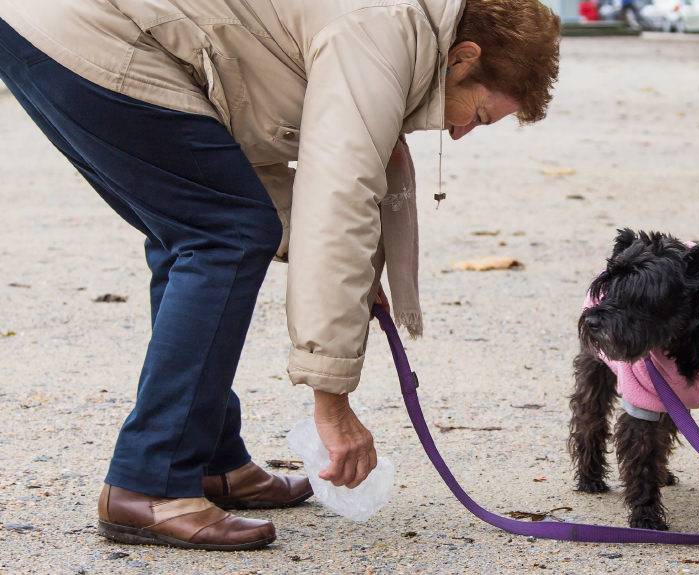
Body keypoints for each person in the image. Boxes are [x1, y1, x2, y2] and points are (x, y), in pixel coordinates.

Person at [0, 0, 559, 551]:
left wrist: (357, 274)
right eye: (479, 115)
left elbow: (276, 175)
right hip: (90, 32)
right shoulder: (381, 33)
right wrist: (332, 405)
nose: (461, 134)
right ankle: (150, 482)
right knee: (224, 235)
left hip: (60, 25)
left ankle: (209, 461)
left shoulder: (399, 28)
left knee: (205, 228)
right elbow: (335, 204)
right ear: (462, 58)